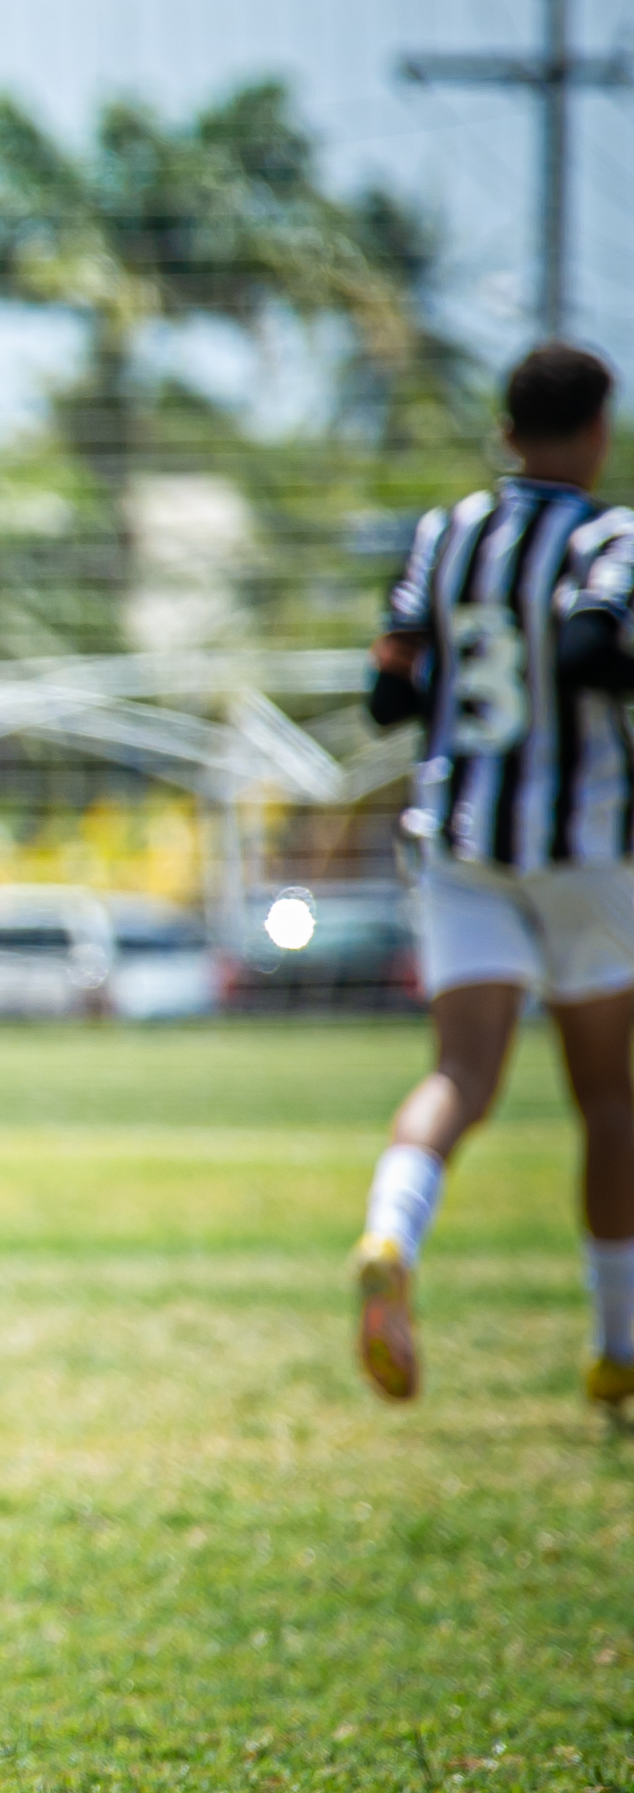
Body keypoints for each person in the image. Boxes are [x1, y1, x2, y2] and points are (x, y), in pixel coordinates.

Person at [353, 339, 634, 1418]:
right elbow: (589, 648)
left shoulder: (448, 532)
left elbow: (388, 692)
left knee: (461, 1074)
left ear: (507, 432)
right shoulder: (608, 534)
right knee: (607, 1097)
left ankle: (390, 1230)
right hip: (585, 846)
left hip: (461, 838)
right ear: (600, 431)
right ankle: (616, 1346)